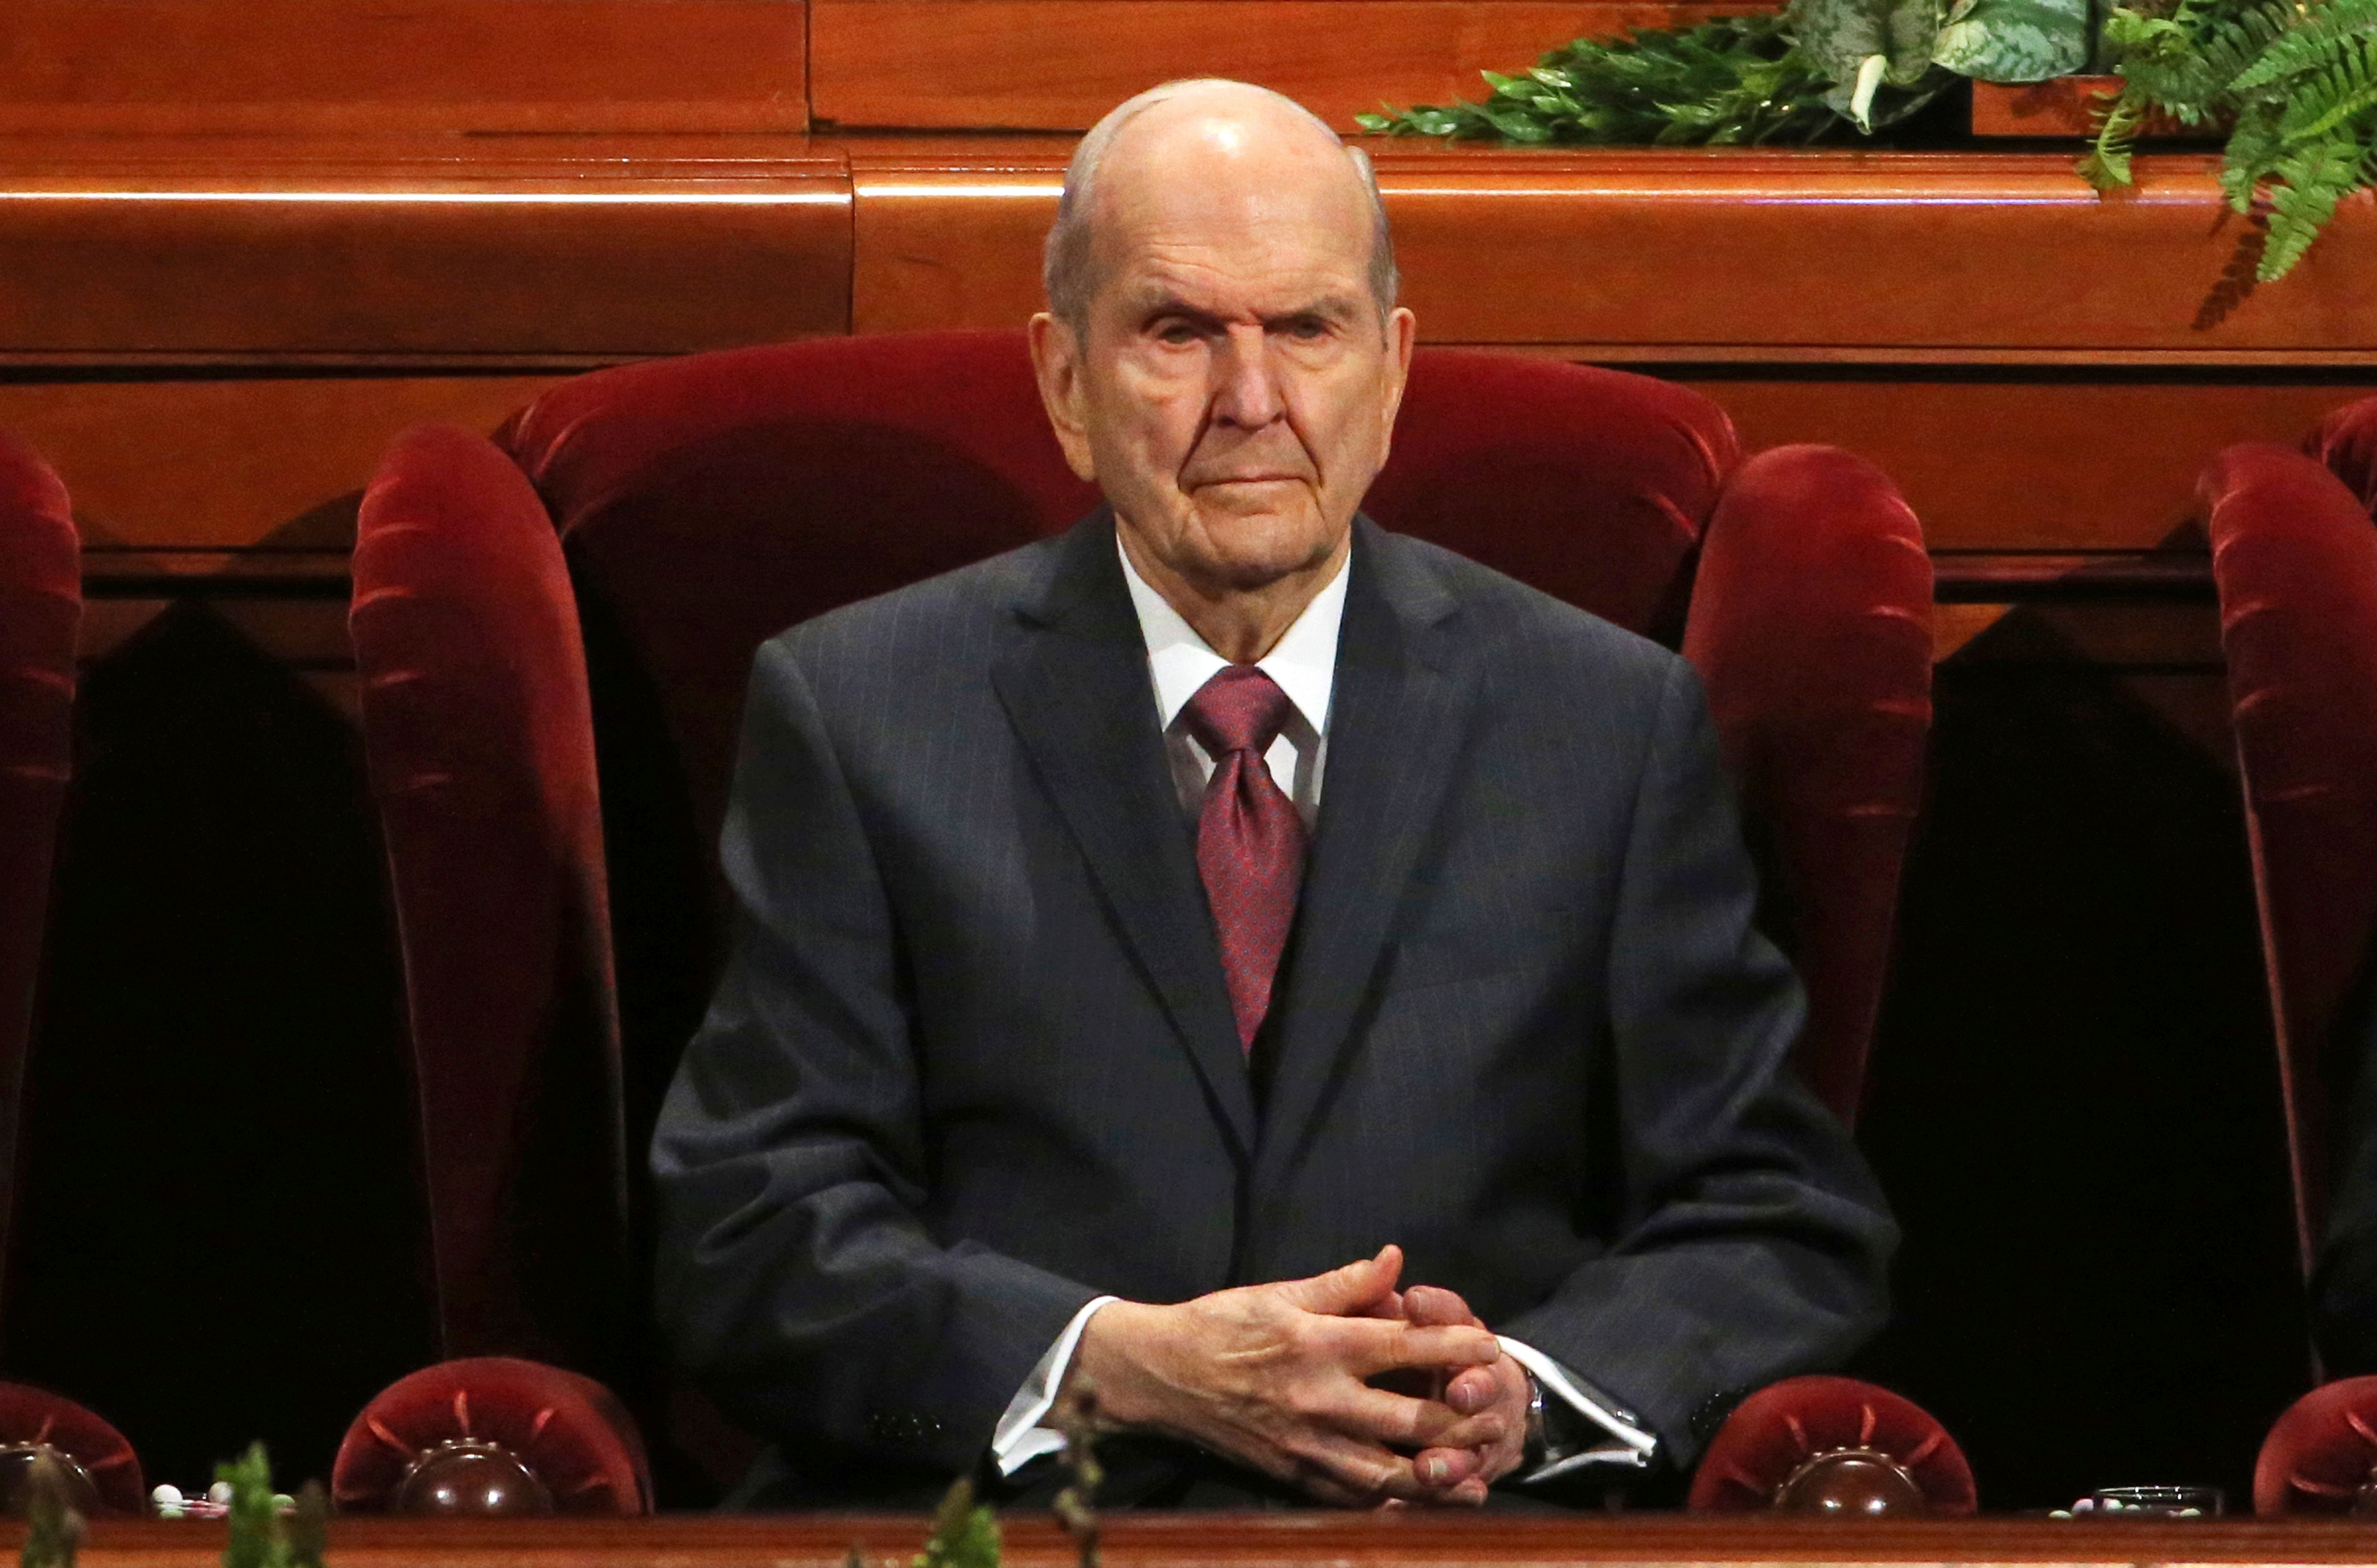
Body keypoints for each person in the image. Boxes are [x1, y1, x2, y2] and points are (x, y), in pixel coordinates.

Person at [650, 77, 1895, 1511]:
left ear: (1392, 368)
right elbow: (748, 1233)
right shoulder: (861, 709)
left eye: (1307, 328)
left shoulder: (1606, 722)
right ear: (1066, 380)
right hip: (1029, 1532)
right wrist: (1112, 1365)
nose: (1252, 402)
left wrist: (1532, 1396)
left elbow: (1774, 1216)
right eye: (1178, 332)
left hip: (1453, 1538)